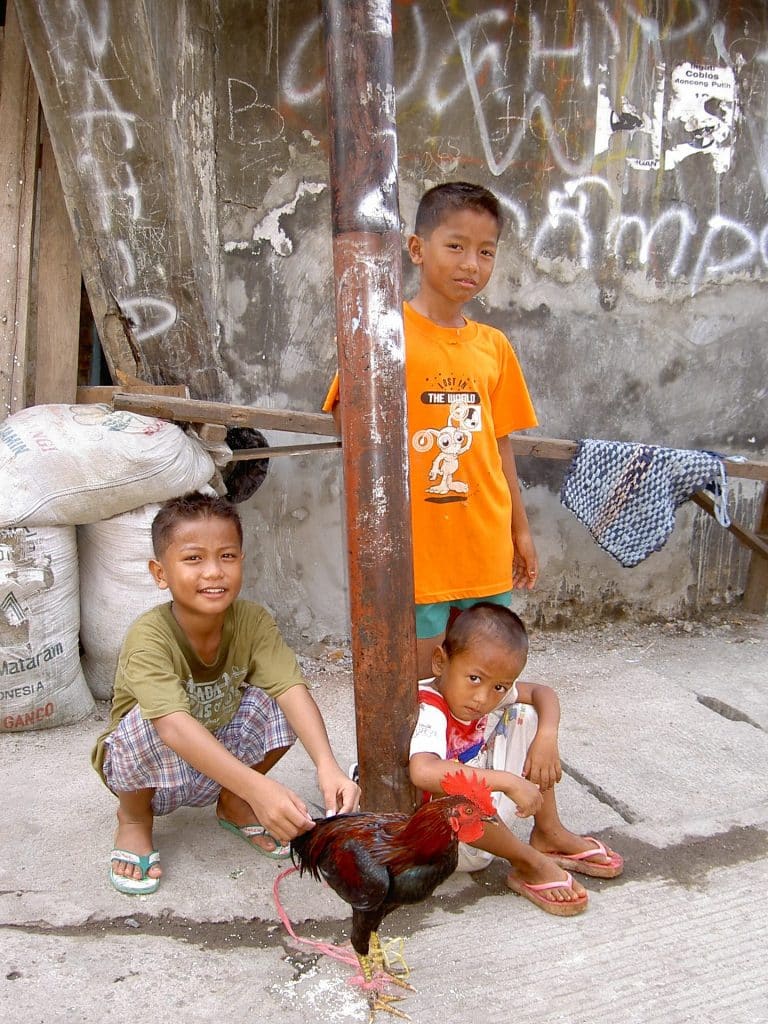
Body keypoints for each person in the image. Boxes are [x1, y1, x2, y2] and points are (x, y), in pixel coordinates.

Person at [91, 491, 360, 895]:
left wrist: (327, 765)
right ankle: (133, 820)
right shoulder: (148, 637)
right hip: (151, 773)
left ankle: (233, 802)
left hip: (217, 759)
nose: (214, 572)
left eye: (227, 556)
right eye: (194, 558)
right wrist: (260, 789)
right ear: (160, 573)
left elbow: (290, 689)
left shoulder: (252, 620)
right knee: (145, 722)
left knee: (279, 701)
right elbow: (173, 728)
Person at [323, 181, 539, 679]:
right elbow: (347, 420)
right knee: (421, 684)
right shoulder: (385, 333)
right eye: (456, 246)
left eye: (486, 252)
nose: (471, 264)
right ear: (417, 249)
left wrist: (521, 530)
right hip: (419, 550)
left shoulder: (494, 346)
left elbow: (500, 446)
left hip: (483, 543)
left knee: (482, 678)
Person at [409, 602, 623, 916]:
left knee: (527, 715)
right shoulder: (430, 707)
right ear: (441, 662)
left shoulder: (480, 693)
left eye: (499, 687)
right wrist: (508, 782)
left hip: (483, 816)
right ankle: (527, 861)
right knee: (456, 791)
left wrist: (547, 737)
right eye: (474, 679)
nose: (483, 698)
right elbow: (423, 771)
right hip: (448, 841)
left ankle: (549, 833)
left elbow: (542, 693)